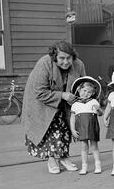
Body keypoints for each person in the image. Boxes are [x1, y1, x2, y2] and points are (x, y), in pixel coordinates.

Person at [22, 40, 85, 174]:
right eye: (62, 58)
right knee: (50, 130)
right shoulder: (44, 63)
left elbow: (83, 84)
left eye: (69, 58)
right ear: (54, 56)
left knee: (64, 129)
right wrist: (62, 95)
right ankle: (51, 159)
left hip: (66, 104)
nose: (66, 62)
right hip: (42, 102)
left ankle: (63, 157)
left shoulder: (78, 64)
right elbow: (39, 91)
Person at [70, 77, 104, 175]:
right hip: (82, 127)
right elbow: (72, 118)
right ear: (79, 90)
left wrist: (98, 109)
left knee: (94, 146)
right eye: (84, 91)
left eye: (89, 92)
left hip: (92, 126)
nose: (86, 94)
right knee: (84, 146)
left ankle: (98, 166)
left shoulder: (94, 102)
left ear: (92, 93)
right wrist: (72, 129)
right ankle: (84, 166)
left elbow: (101, 113)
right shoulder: (75, 104)